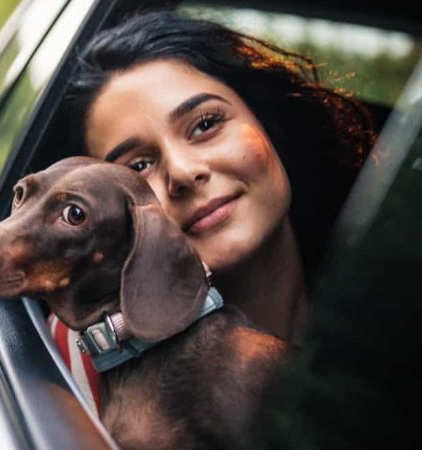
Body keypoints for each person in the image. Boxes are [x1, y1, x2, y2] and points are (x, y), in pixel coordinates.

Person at [47, 10, 376, 414]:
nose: (183, 172)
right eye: (137, 166)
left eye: (204, 124)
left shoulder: (393, 289)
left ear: (266, 122)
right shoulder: (88, 370)